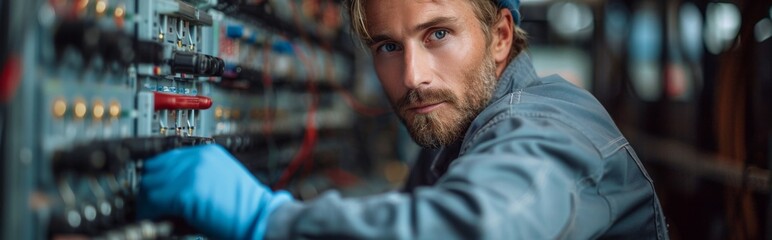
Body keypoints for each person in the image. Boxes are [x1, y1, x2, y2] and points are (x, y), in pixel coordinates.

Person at [137, 0, 669, 239]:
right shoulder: (453, 140)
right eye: (388, 46)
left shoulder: (550, 125)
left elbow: (477, 230)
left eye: (438, 34)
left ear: (500, 36)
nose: (413, 76)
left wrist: (266, 222)